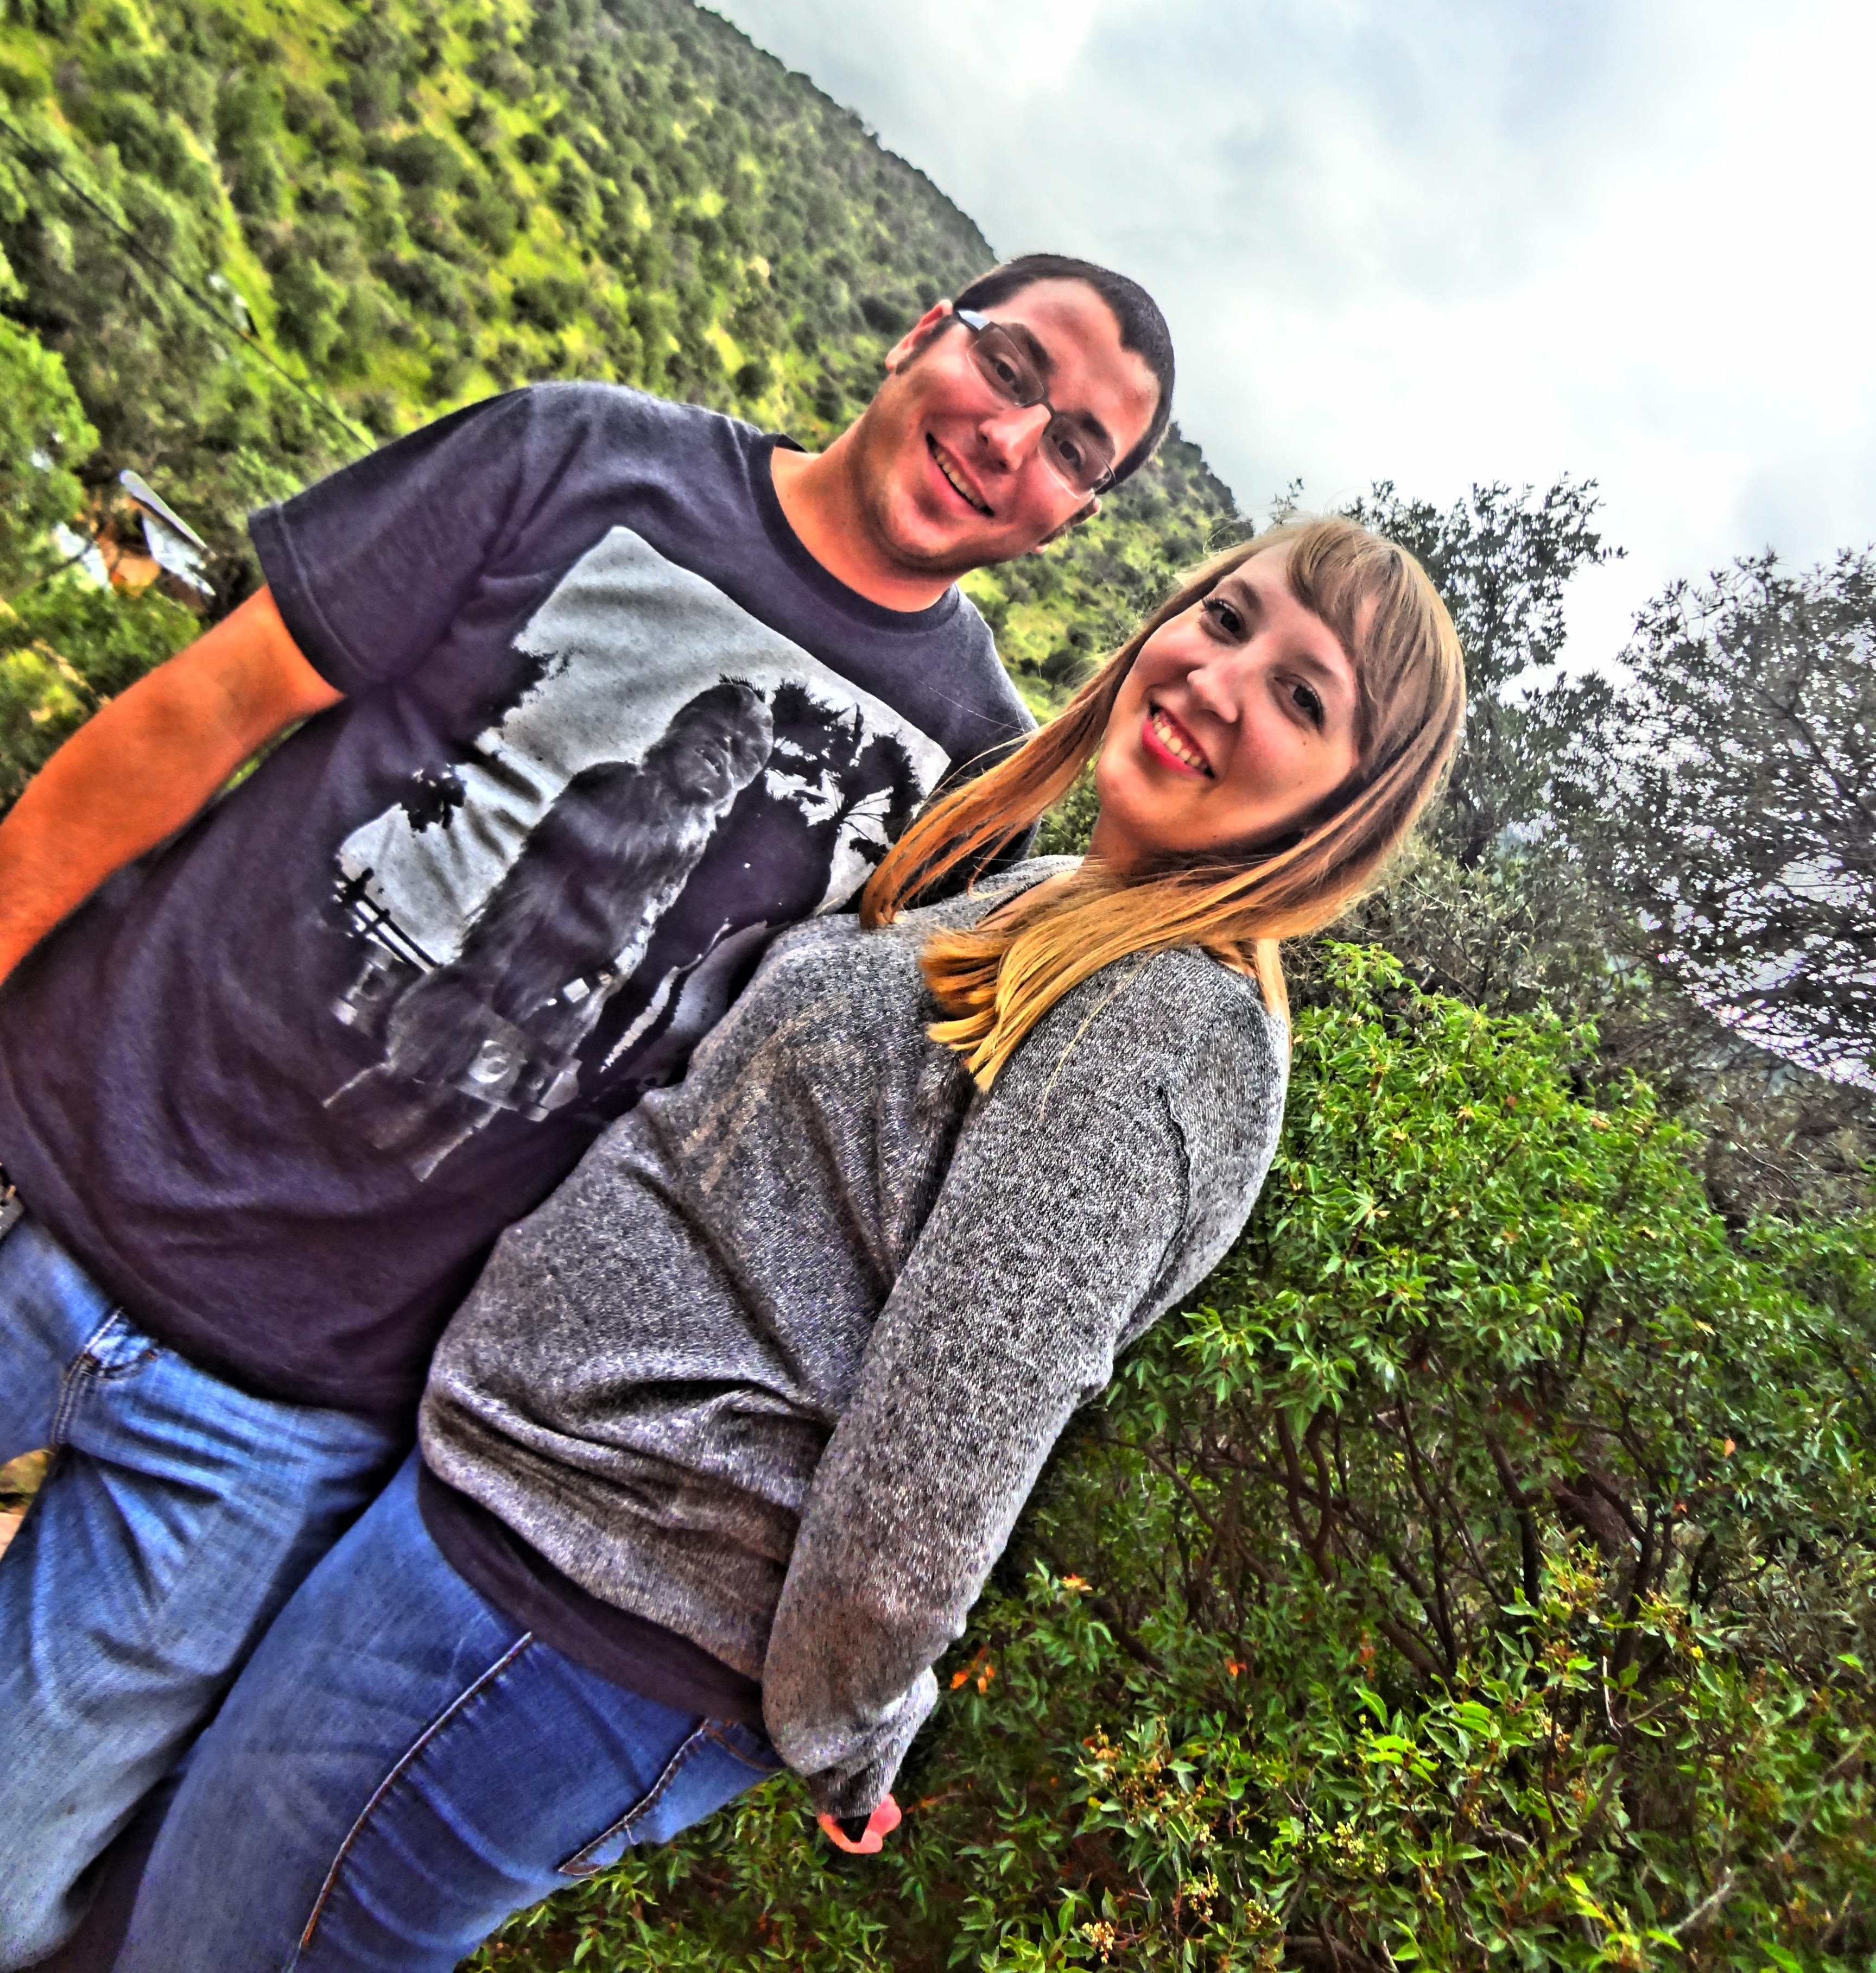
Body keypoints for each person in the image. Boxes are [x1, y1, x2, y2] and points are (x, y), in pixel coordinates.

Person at [0, 253, 1174, 1967]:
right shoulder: (579, 454)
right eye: (1010, 368)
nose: (1014, 440)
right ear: (925, 330)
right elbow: (205, 711)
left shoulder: (969, 780)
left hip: (298, 1413)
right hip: (51, 1167)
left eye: (1077, 448)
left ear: (1079, 517)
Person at [111, 516, 1466, 1972]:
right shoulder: (1059, 903)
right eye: (1227, 618)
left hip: (582, 1607)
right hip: (515, 1533)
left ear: (1350, 807)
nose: (1220, 679)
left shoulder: (1170, 1022)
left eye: (1302, 696)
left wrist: (854, 1725)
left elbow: (955, 1429)